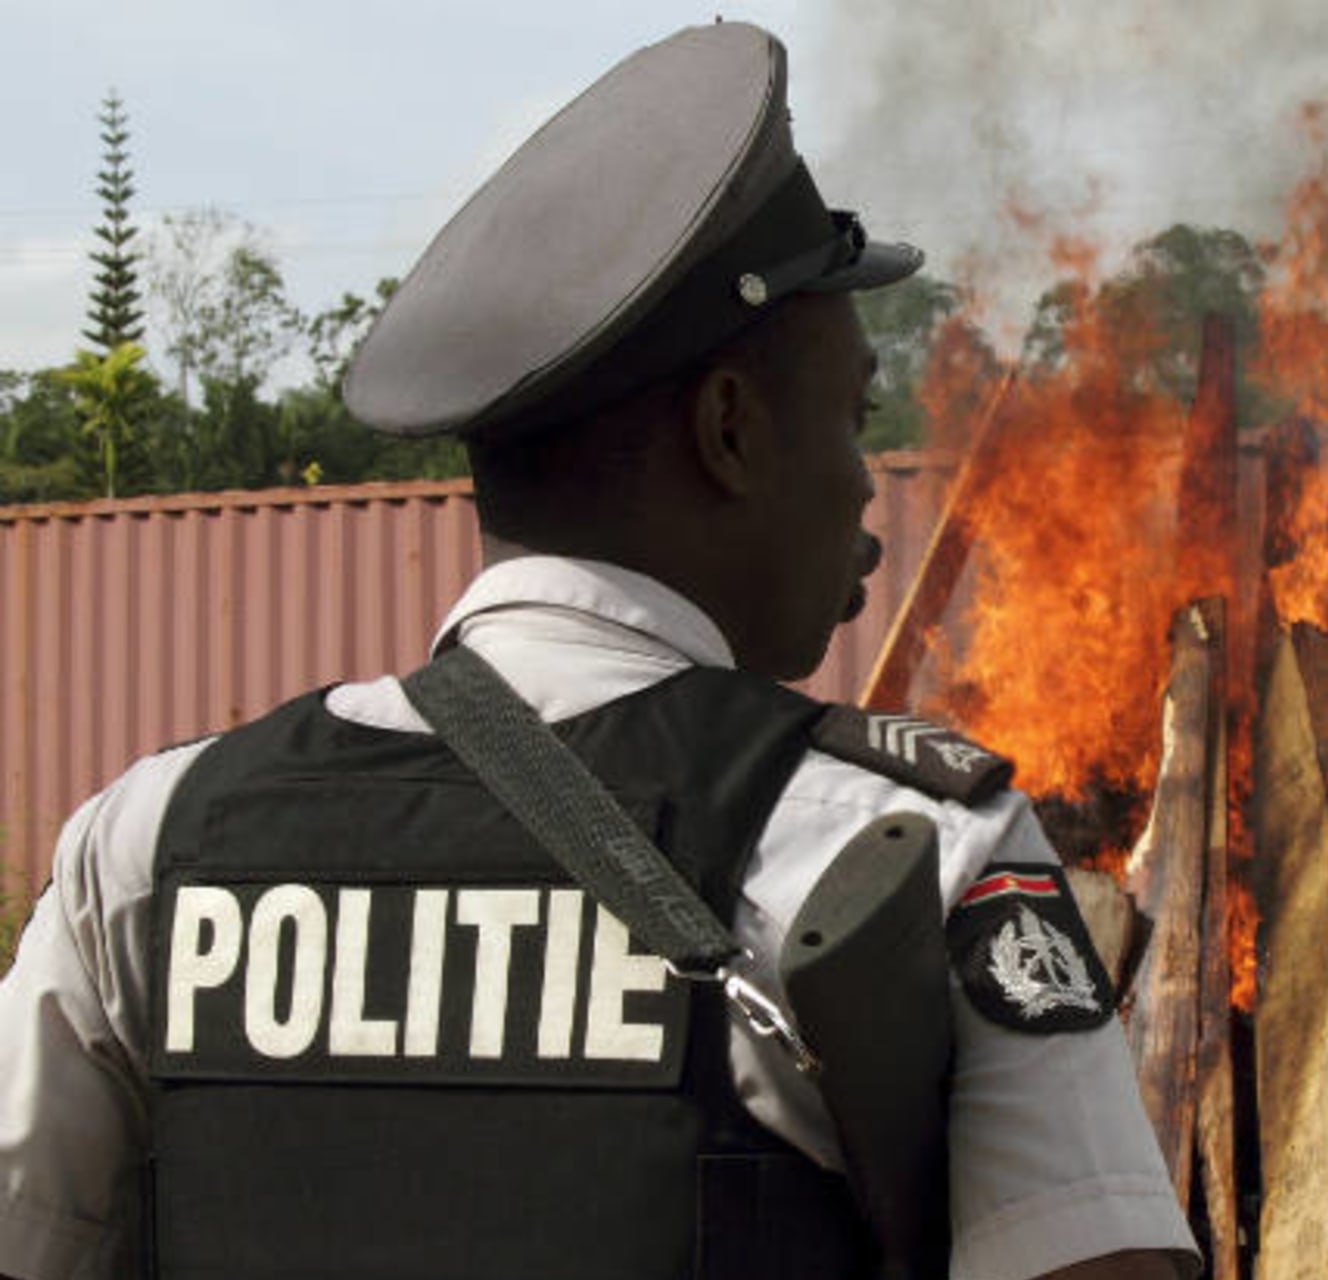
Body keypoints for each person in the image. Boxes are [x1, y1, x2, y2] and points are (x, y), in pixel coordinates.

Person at [0, 22, 1199, 1280]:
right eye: (850, 420)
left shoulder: (148, 847)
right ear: (730, 431)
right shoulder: (889, 853)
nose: (864, 491)